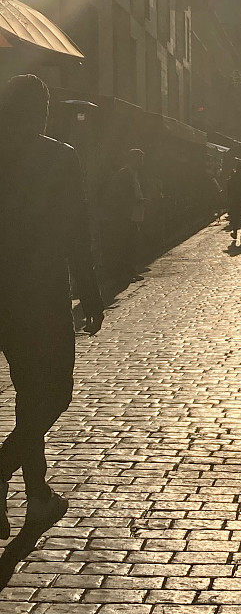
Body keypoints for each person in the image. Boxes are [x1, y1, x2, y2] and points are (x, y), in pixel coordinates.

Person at [0, 75, 104, 536]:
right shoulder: (59, 157)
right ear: (38, 111)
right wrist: (91, 290)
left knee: (29, 395)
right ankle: (5, 470)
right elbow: (76, 230)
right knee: (55, 392)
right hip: (41, 293)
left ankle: (38, 497)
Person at [103, 148, 146, 282]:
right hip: (126, 215)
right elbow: (121, 194)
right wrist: (137, 201)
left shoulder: (133, 173)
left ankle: (130, 271)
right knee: (125, 244)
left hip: (133, 214)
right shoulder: (125, 174)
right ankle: (125, 273)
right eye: (140, 159)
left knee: (131, 243)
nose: (142, 162)